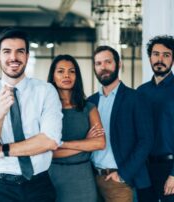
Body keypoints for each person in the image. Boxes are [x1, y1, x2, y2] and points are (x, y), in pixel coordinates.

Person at [0, 28, 62, 202]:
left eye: (20, 51)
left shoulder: (46, 91)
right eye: (7, 52)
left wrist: (3, 150)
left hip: (39, 184)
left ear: (27, 56)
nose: (13, 57)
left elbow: (50, 140)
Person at [88, 45, 153, 202]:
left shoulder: (135, 98)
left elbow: (146, 141)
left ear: (118, 64)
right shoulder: (90, 102)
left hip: (120, 181)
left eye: (107, 62)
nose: (103, 67)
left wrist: (123, 174)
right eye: (98, 63)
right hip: (92, 180)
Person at [47, 54, 105, 202]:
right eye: (60, 71)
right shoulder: (46, 109)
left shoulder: (89, 108)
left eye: (72, 71)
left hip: (83, 177)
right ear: (53, 76)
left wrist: (62, 144)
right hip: (53, 176)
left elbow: (99, 143)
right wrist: (86, 143)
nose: (67, 75)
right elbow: (47, 152)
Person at [136, 35, 174, 202]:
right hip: (143, 168)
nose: (160, 59)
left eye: (166, 55)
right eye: (156, 54)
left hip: (169, 167)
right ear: (150, 57)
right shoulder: (141, 92)